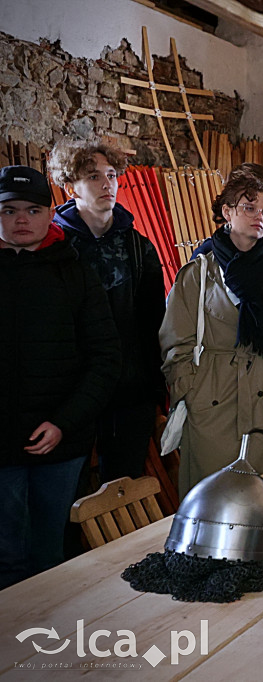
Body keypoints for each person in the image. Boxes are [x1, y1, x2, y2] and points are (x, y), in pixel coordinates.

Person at [160, 165, 263, 494]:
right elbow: (176, 342)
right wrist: (190, 387)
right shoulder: (198, 273)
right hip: (213, 405)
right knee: (211, 506)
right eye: (249, 207)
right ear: (227, 211)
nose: (259, 216)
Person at [0, 166, 120, 588]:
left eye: (33, 209)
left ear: (51, 213)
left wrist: (64, 421)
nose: (20, 220)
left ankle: (45, 648)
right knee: (6, 557)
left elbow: (105, 358)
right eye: (9, 209)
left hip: (60, 441)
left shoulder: (76, 273)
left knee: (50, 557)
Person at [48, 140, 165, 483]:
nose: (106, 184)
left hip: (129, 389)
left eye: (111, 175)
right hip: (72, 393)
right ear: (70, 186)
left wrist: (155, 387)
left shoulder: (137, 245)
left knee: (123, 486)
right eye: (93, 176)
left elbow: (153, 321)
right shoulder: (56, 246)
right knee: (72, 489)